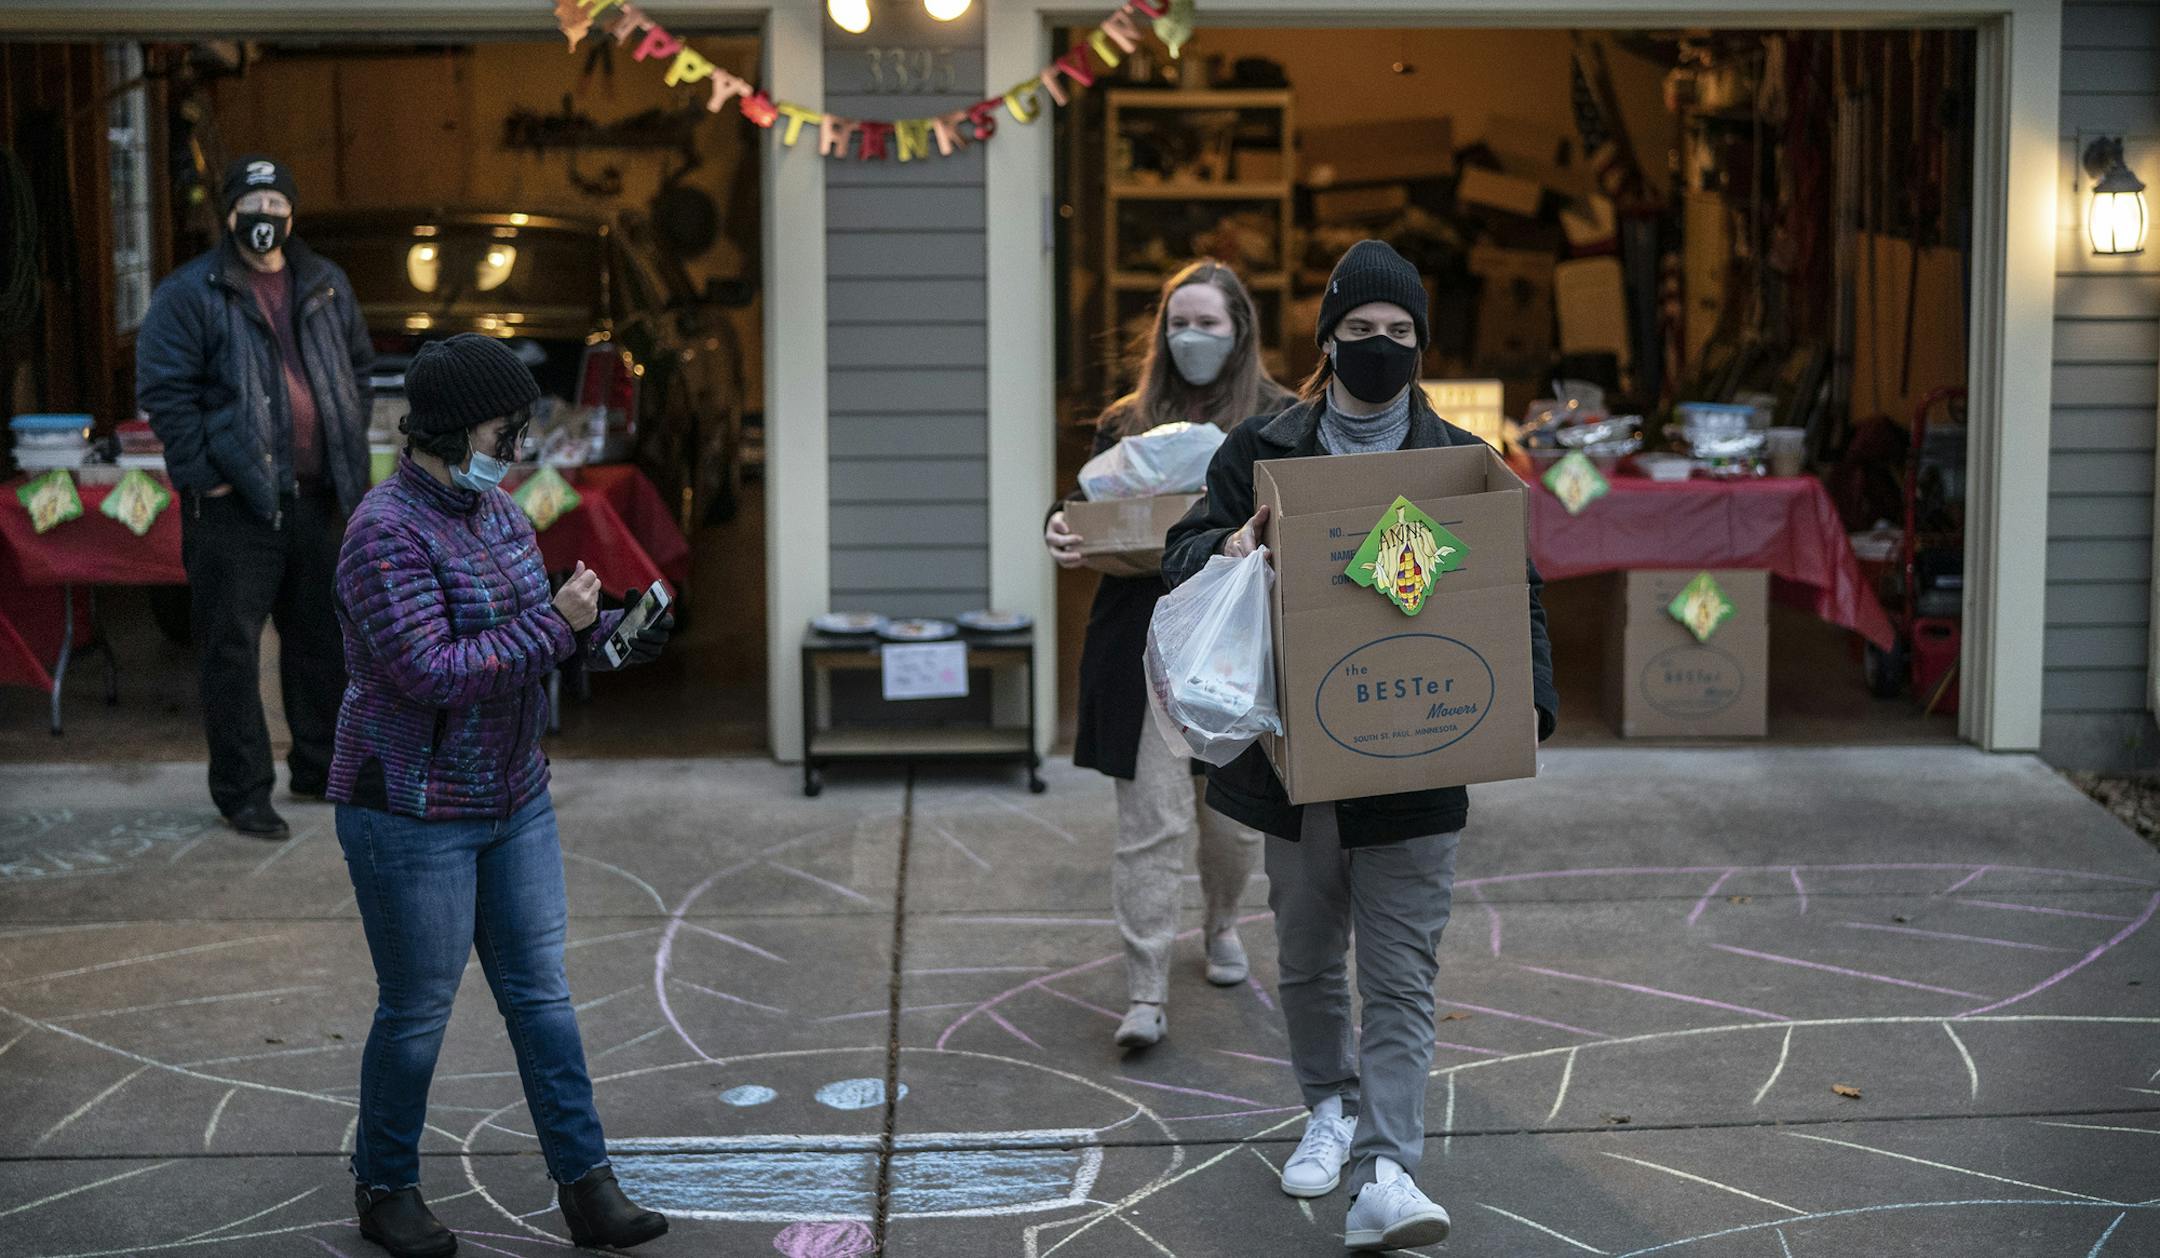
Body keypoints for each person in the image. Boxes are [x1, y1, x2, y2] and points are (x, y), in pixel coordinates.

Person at [1162, 240, 1558, 1252]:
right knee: (1304, 954)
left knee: (1401, 967)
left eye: (1399, 334)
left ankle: (1387, 1166)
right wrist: (1229, 545)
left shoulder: (1456, 467)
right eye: (1360, 331)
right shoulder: (1261, 450)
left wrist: (1527, 704)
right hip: (1294, 755)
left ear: (1420, 344)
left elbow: (1515, 595)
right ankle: (1328, 1106)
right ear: (1327, 338)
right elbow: (1181, 558)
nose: (1379, 349)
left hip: (1417, 755)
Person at [326, 334, 675, 1258]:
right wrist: (554, 628)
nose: (518, 446)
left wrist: (607, 631)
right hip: (408, 807)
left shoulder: (499, 513)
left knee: (542, 997)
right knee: (416, 1011)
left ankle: (587, 1186)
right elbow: (431, 670)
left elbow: (533, 632)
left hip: (512, 793)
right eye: (505, 428)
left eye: (523, 428)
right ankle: (385, 1186)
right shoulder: (383, 533)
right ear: (445, 429)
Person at [1044, 260, 1295, 1050]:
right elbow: (1087, 509)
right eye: (1177, 323)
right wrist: (1060, 526)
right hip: (1143, 639)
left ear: (1240, 331)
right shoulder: (1126, 422)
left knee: (1232, 822)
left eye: (1208, 323)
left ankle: (1222, 925)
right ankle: (1145, 988)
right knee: (1150, 820)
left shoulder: (1282, 418)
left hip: (1234, 643)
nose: (1190, 337)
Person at [137, 155, 374, 841]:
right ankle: (243, 792)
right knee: (232, 650)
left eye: (276, 201)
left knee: (322, 638)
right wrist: (203, 473)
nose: (264, 215)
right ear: (229, 214)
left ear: (293, 212)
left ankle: (321, 765)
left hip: (319, 497)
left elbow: (358, 368)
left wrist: (345, 440)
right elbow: (164, 392)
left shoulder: (326, 283)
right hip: (234, 505)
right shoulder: (192, 292)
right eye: (252, 202)